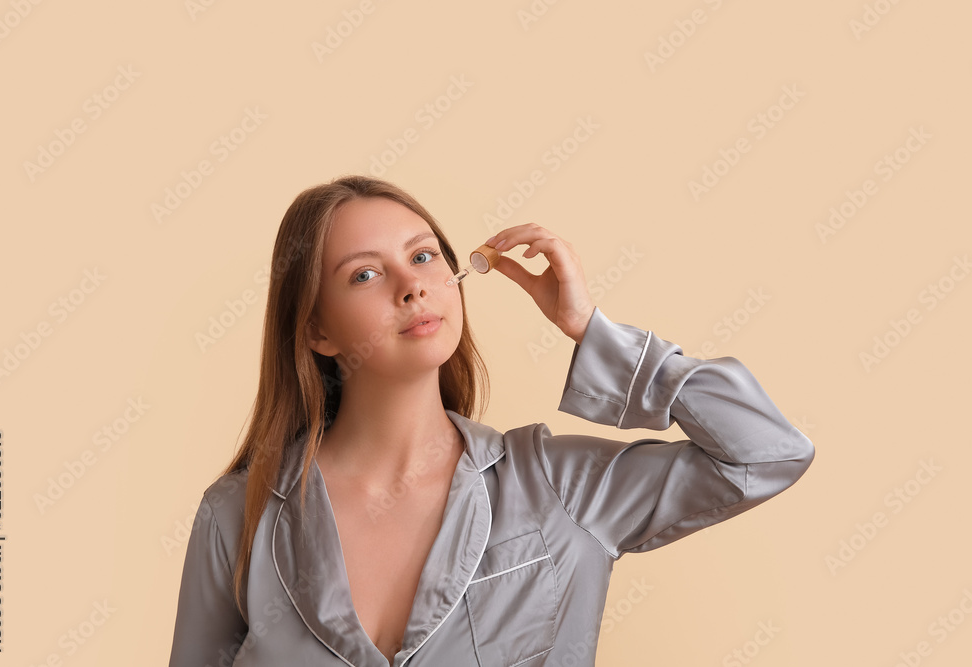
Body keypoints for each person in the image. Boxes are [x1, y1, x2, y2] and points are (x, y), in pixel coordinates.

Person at [167, 174, 815, 667]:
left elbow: (766, 452)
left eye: (423, 257)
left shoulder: (561, 490)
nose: (410, 286)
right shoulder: (237, 516)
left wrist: (593, 331)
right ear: (316, 329)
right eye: (365, 273)